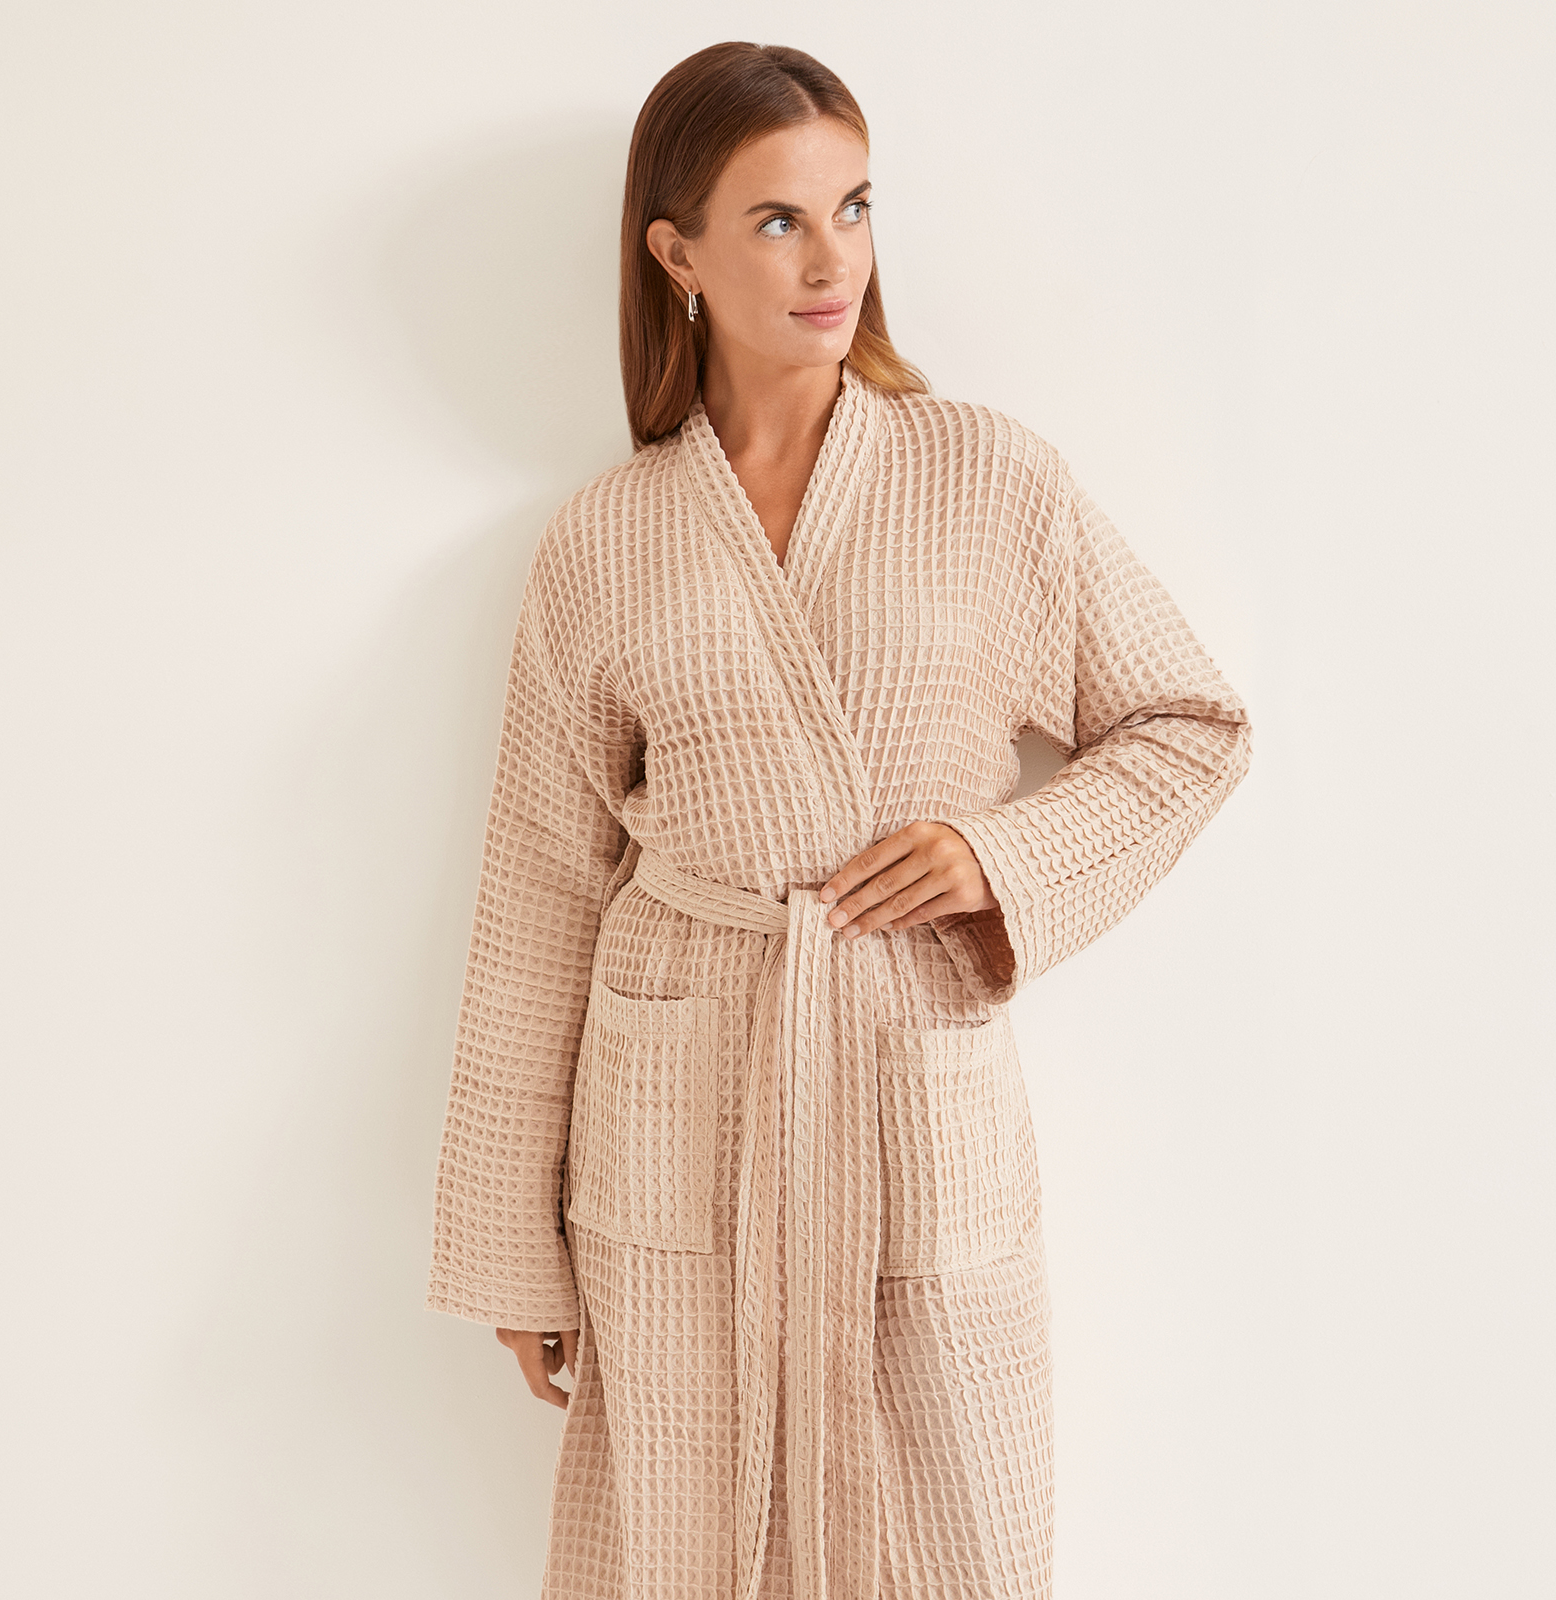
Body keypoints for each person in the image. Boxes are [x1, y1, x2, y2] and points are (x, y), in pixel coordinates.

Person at [427, 39, 1251, 1600]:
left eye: (855, 208)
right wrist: (508, 1242)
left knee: (948, 1534)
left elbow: (1190, 726)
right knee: (683, 1539)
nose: (834, 262)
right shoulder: (606, 540)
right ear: (676, 254)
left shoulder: (989, 480)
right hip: (680, 1112)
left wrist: (997, 855)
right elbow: (540, 887)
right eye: (779, 221)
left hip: (902, 1085)